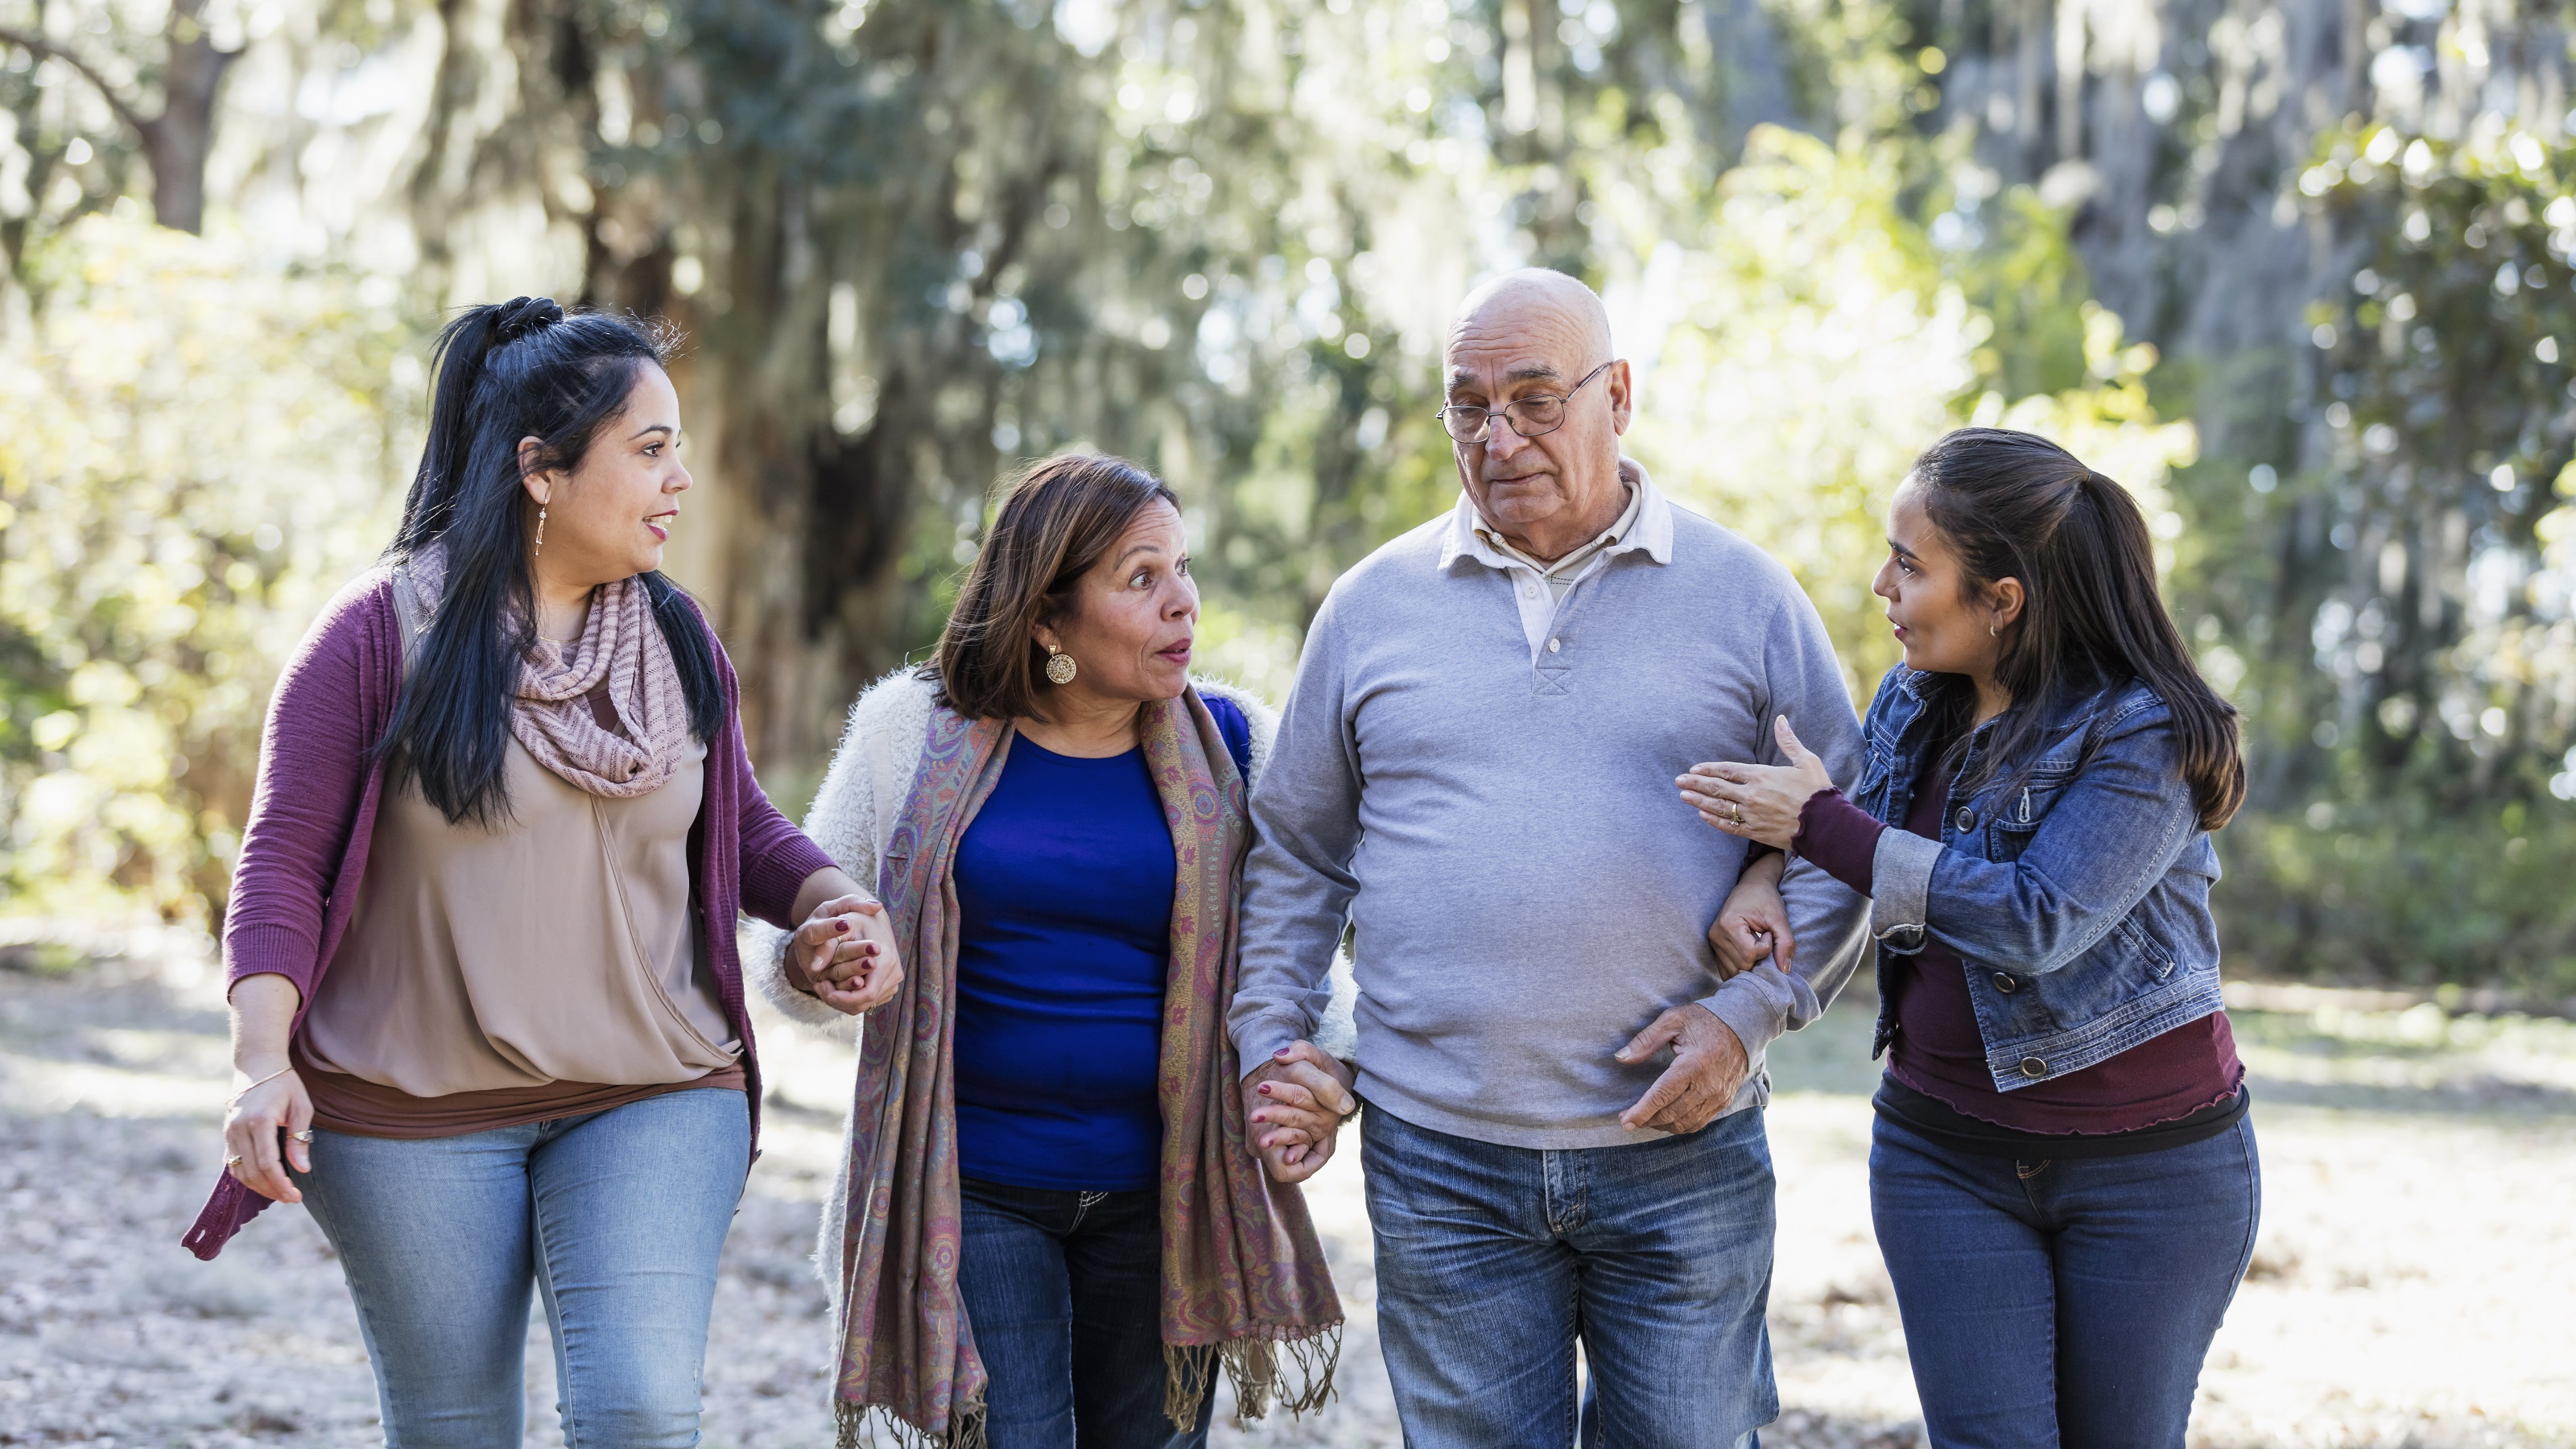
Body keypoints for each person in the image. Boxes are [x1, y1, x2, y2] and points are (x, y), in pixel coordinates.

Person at [185, 297, 902, 1447]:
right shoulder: (378, 634)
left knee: (640, 1410)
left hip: (657, 1091)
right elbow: (280, 865)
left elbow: (741, 825)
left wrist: (829, 906)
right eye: (651, 449)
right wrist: (258, 1065)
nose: (681, 479)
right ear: (540, 471)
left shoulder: (672, 637)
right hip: (411, 1116)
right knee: (458, 1426)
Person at [1226, 268, 1872, 1449]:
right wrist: (1276, 1038)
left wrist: (1751, 1011)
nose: (1498, 436)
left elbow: (1846, 832)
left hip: (1682, 1146)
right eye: (1468, 406)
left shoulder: (1746, 598)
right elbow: (1298, 857)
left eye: (1534, 398)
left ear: (1616, 395)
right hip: (1439, 1157)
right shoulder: (1371, 606)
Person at [750, 453, 1349, 1449]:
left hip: (1170, 1194)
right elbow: (804, 934)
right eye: (1140, 578)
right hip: (971, 1187)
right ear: (1046, 620)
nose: (1183, 605)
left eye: (1183, 569)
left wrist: (1322, 1064)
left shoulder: (1238, 744)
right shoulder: (913, 732)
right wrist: (815, 960)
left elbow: (1300, 945)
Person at [1680, 427, 2260, 1449]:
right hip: (1941, 1153)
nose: (1879, 586)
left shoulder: (2146, 731)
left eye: (1909, 566)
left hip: (2151, 1173)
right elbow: (1851, 820)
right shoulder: (1915, 698)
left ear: (2003, 598)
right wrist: (1765, 874)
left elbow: (2037, 918)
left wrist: (1809, 825)